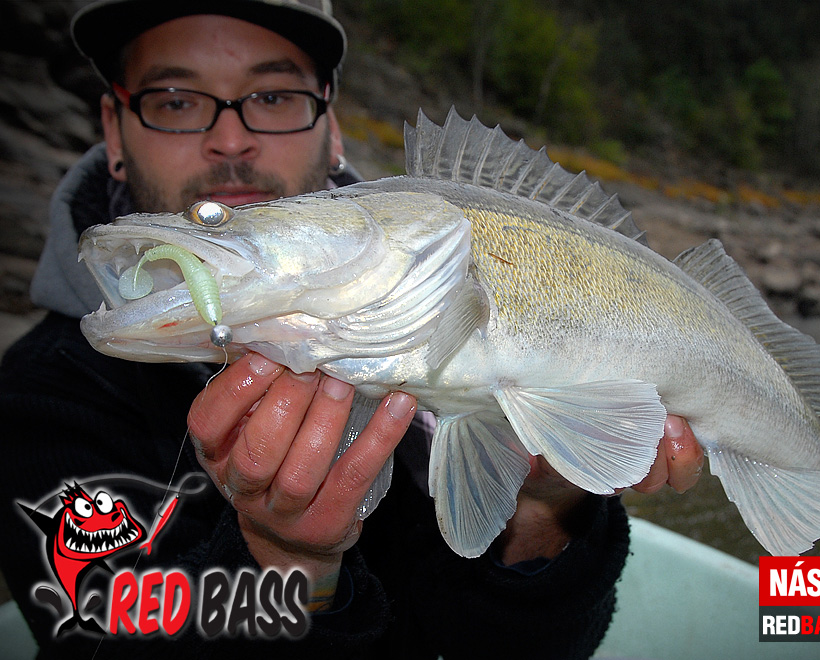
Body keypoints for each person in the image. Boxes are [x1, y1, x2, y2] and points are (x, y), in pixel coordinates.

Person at [0, 1, 704, 657]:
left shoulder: (410, 310)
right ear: (113, 129)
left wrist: (544, 506)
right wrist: (286, 561)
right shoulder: (38, 401)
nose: (231, 139)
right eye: (176, 100)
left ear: (331, 126)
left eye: (274, 96)